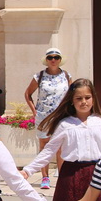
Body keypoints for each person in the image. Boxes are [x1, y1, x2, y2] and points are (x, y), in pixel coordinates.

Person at [24, 48, 71, 190]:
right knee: (44, 146)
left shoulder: (67, 75)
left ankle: (62, 176)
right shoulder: (39, 76)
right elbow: (28, 94)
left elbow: (72, 93)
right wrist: (34, 111)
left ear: (60, 59)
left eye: (56, 57)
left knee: (61, 147)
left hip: (61, 116)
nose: (53, 60)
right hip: (43, 116)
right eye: (50, 57)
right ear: (47, 59)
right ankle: (45, 177)